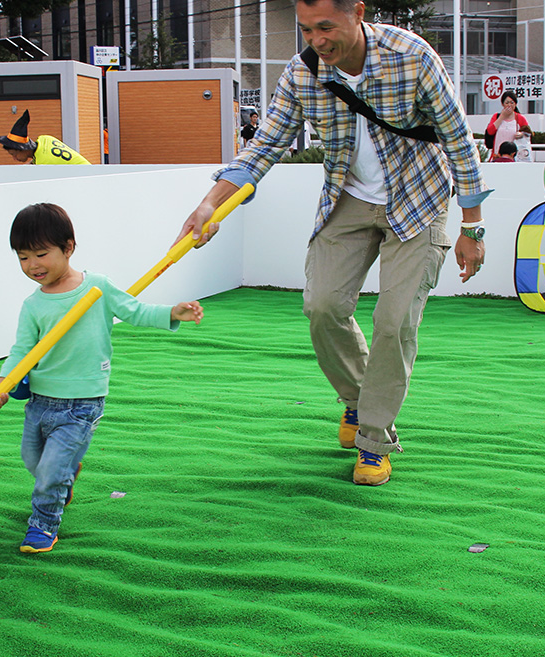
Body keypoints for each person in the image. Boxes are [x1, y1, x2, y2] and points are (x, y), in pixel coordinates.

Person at [176, 0, 489, 487]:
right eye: (306, 29)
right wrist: (209, 204)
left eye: (326, 27)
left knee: (393, 320)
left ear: (357, 13)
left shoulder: (412, 55)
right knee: (321, 306)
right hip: (346, 199)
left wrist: (472, 227)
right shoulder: (302, 73)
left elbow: (457, 138)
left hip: (421, 199)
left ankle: (374, 438)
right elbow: (264, 146)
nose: (316, 40)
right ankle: (358, 400)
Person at [0, 203, 204, 553]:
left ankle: (43, 526)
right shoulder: (33, 305)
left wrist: (172, 312)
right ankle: (64, 477)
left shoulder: (97, 288)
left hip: (83, 403)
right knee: (35, 462)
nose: (33, 266)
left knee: (49, 472)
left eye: (41, 254)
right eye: (23, 258)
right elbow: (21, 351)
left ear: (68, 248)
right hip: (40, 400)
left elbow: (135, 310)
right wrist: (3, 381)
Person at [0, 110, 91, 165]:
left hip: (86, 179)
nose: (14, 158)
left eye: (14, 154)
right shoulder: (45, 139)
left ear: (22, 149)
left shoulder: (43, 163)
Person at [485, 92, 530, 162]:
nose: (509, 105)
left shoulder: (520, 118)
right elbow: (490, 131)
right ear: (502, 104)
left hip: (514, 157)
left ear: (515, 104)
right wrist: (502, 117)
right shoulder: (496, 116)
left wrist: (521, 134)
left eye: (512, 103)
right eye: (507, 103)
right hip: (497, 155)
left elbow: (528, 133)